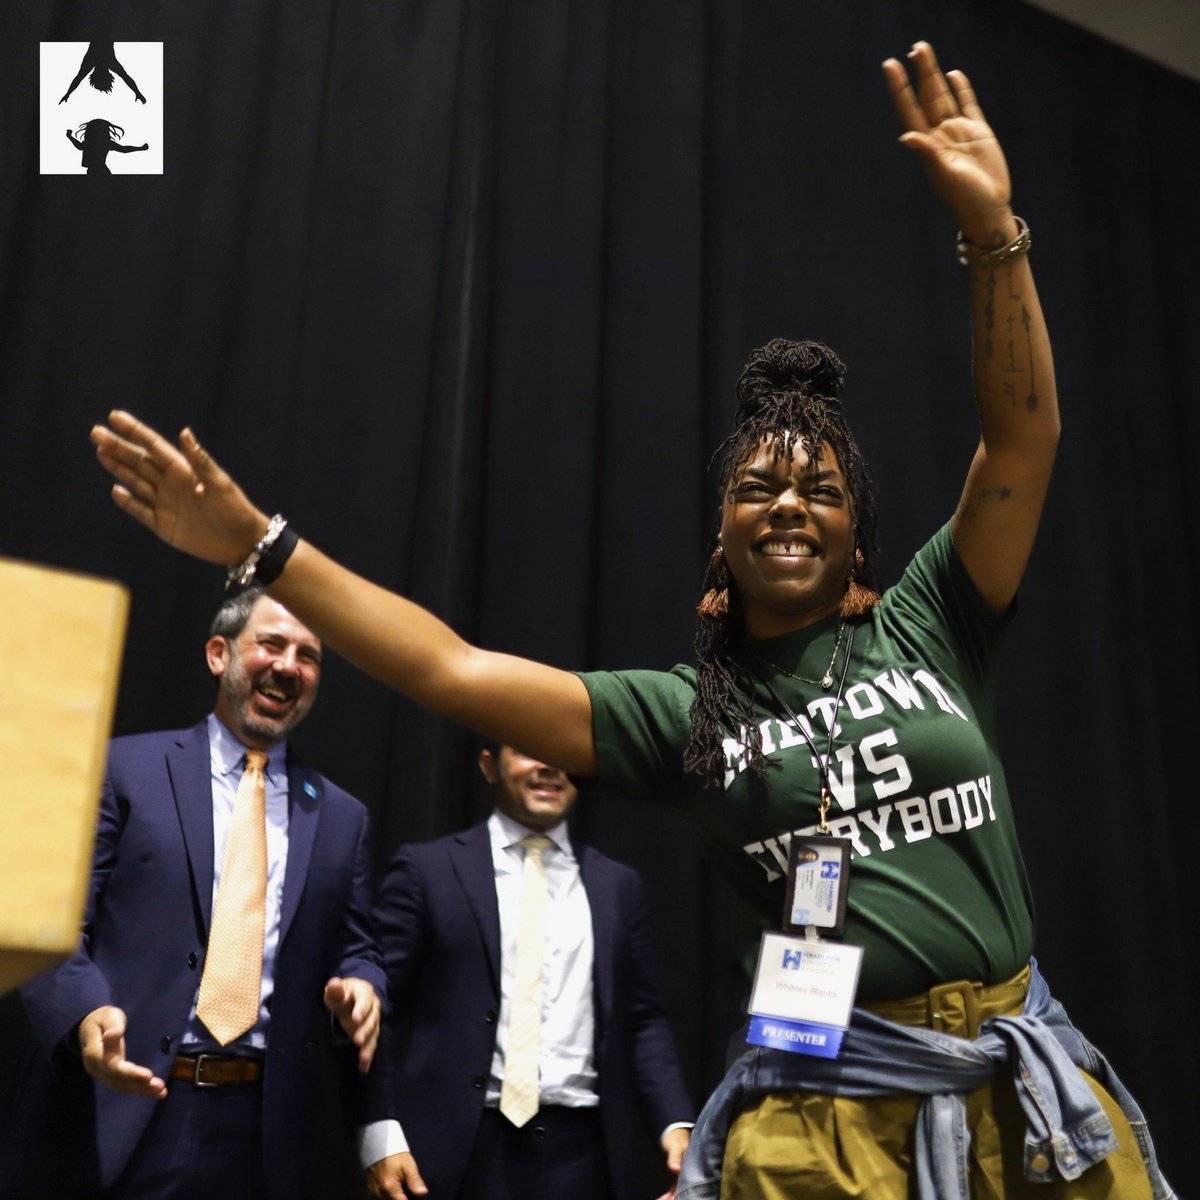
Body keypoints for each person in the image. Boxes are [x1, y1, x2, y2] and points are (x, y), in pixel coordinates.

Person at [89, 42, 1174, 1200]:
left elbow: (1023, 439)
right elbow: (451, 669)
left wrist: (994, 235)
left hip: (1021, 1088)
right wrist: (262, 545)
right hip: (835, 1118)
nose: (790, 503)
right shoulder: (681, 713)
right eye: (758, 488)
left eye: (820, 488)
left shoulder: (934, 620)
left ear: (858, 533)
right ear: (722, 536)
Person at [0, 588, 386, 1200]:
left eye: (308, 656)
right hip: (117, 1104)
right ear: (218, 654)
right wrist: (84, 1015)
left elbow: (359, 949)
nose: (288, 666)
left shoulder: (342, 816)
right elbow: (53, 926)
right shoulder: (123, 770)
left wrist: (364, 986)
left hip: (265, 1132)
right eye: (271, 644)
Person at [361, 743, 695, 1200]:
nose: (549, 765)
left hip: (586, 1156)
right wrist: (378, 1130)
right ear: (488, 765)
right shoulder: (429, 870)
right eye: (527, 749)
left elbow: (643, 1020)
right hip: (456, 1150)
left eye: (562, 751)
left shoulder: (618, 885)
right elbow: (377, 1008)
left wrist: (675, 1123)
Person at [59, 42, 148, 105]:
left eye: (101, 73)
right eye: (103, 73)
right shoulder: (109, 62)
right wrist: (137, 92)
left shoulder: (91, 61)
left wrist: (68, 94)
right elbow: (126, 77)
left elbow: (78, 79)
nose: (102, 70)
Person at [65, 120, 149, 176]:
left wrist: (70, 136)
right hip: (98, 169)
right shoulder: (103, 142)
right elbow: (123, 149)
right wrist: (140, 148)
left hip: (96, 169)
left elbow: (124, 149)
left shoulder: (96, 142)